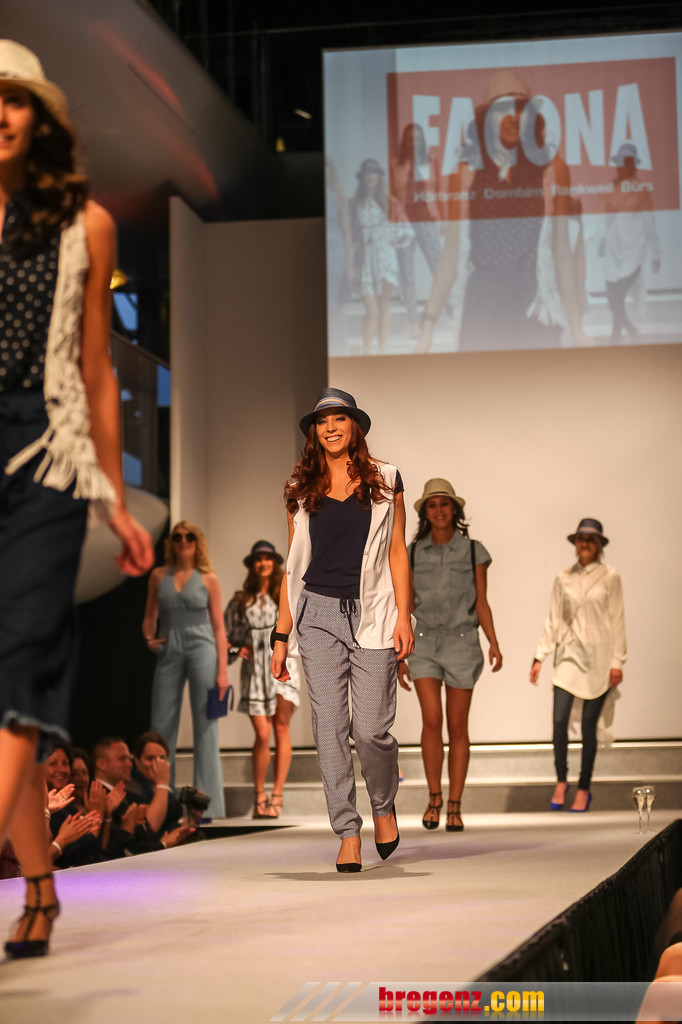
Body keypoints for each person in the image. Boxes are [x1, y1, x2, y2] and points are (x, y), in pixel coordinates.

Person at [0, 41, 153, 959]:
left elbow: (96, 369)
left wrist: (114, 498)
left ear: (40, 118)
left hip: (49, 457)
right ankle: (41, 885)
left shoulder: (86, 224)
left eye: (12, 99)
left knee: (20, 664)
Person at [271, 387, 413, 872]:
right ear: (314, 431)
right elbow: (293, 567)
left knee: (370, 730)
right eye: (322, 421)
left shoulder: (386, 478)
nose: (331, 427)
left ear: (355, 426)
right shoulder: (299, 488)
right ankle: (348, 832)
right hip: (317, 615)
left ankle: (383, 804)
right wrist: (281, 636)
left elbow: (397, 550)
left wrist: (404, 615)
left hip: (374, 612)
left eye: (339, 419)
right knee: (329, 729)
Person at [398, 479, 502, 831]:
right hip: (423, 642)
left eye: (444, 503)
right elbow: (404, 604)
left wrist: (493, 642)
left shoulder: (473, 551)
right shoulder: (413, 552)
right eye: (432, 504)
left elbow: (482, 601)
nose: (439, 510)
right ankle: (434, 798)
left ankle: (455, 805)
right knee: (431, 719)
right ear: (425, 512)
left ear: (455, 509)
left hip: (462, 641)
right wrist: (399, 654)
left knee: (458, 726)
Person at [530, 518, 626, 812]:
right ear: (575, 543)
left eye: (590, 539)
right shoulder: (563, 578)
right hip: (569, 654)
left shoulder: (610, 577)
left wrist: (617, 661)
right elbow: (554, 619)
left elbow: (617, 619)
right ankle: (561, 780)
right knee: (559, 720)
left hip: (598, 658)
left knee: (588, 726)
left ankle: (584, 786)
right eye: (581, 538)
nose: (585, 543)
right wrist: (540, 656)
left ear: (599, 545)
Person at [143, 521, 228, 819]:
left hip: (202, 646)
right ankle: (161, 802)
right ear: (172, 542)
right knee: (161, 725)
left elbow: (219, 627)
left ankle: (206, 806)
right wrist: (149, 638)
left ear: (197, 541)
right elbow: (150, 614)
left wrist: (222, 671)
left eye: (189, 536)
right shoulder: (158, 576)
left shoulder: (208, 578)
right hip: (170, 645)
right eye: (177, 536)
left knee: (207, 726)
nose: (183, 540)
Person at [225, 540, 301, 818]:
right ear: (252, 565)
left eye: (268, 558)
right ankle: (259, 794)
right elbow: (226, 638)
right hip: (255, 671)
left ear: (275, 562)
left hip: (283, 664)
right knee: (262, 733)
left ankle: (276, 795)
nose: (263, 563)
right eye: (258, 559)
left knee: (281, 727)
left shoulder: (287, 593)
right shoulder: (241, 600)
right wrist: (236, 650)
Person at [350, 158, 412, 354]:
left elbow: (406, 229)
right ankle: (367, 351)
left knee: (384, 304)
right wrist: (354, 243)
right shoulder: (355, 204)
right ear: (362, 177)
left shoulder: (389, 202)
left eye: (374, 173)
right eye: (367, 173)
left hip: (385, 257)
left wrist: (392, 239)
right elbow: (348, 231)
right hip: (365, 259)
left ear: (379, 176)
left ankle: (381, 351)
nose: (371, 177)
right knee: (371, 309)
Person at [390, 123, 444, 339]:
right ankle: (413, 322)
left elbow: (438, 191)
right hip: (405, 221)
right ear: (406, 141)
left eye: (418, 138)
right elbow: (393, 196)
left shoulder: (431, 161)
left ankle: (445, 312)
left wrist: (442, 219)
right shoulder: (396, 164)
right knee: (407, 272)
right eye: (411, 139)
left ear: (423, 141)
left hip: (427, 218)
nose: (414, 142)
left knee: (438, 269)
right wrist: (393, 223)